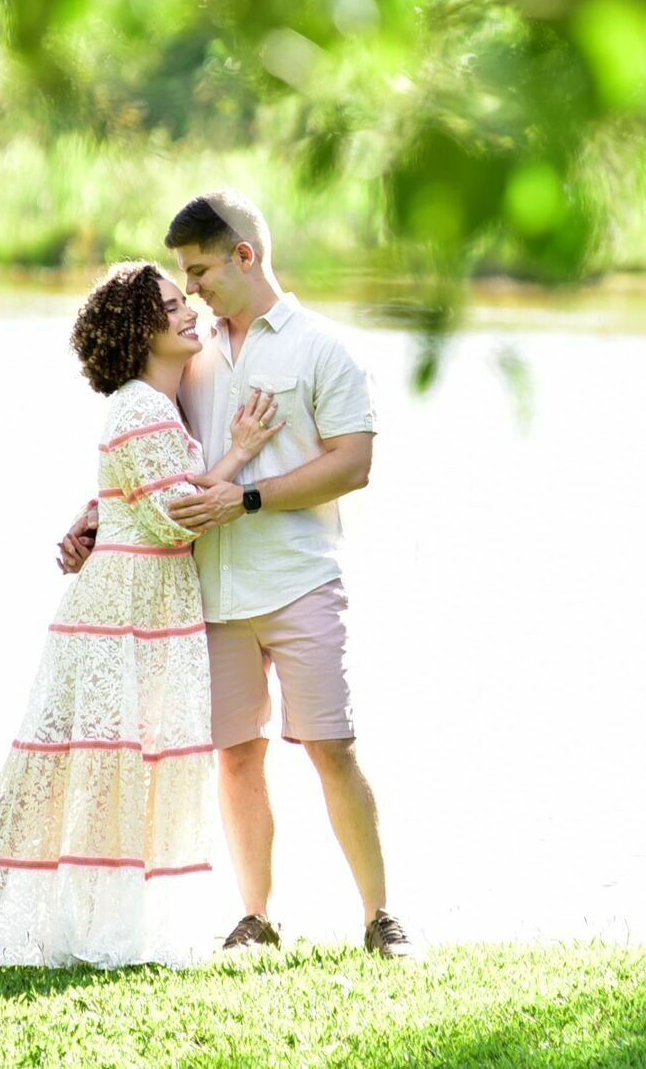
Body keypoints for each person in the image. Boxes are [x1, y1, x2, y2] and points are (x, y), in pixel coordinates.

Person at [59, 191, 416, 960]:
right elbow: (157, 455)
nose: (191, 292)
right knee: (236, 756)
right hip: (209, 595)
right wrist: (98, 516)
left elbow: (353, 465)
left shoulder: (325, 349)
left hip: (299, 581)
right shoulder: (194, 354)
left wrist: (246, 497)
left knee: (332, 746)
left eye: (199, 272)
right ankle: (255, 919)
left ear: (244, 256)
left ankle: (380, 917)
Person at [0, 261, 283, 970]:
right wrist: (243, 454)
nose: (188, 310)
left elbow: (148, 498)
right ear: (140, 328)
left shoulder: (158, 406)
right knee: (68, 768)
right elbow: (172, 518)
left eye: (186, 297)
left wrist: (104, 510)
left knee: (119, 769)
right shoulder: (138, 405)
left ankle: (101, 931)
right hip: (116, 613)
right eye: (170, 304)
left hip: (146, 608)